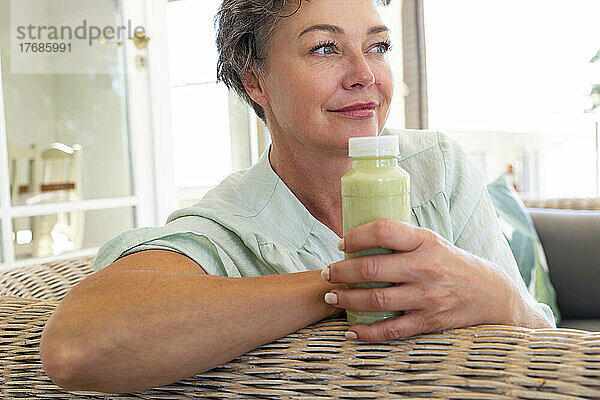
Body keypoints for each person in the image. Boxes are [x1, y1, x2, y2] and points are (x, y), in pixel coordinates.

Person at [40, 0, 555, 394]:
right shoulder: (231, 226)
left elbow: (542, 344)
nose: (365, 75)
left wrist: (504, 297)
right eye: (325, 48)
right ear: (255, 81)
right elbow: (77, 346)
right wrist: (347, 285)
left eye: (377, 46)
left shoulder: (436, 167)